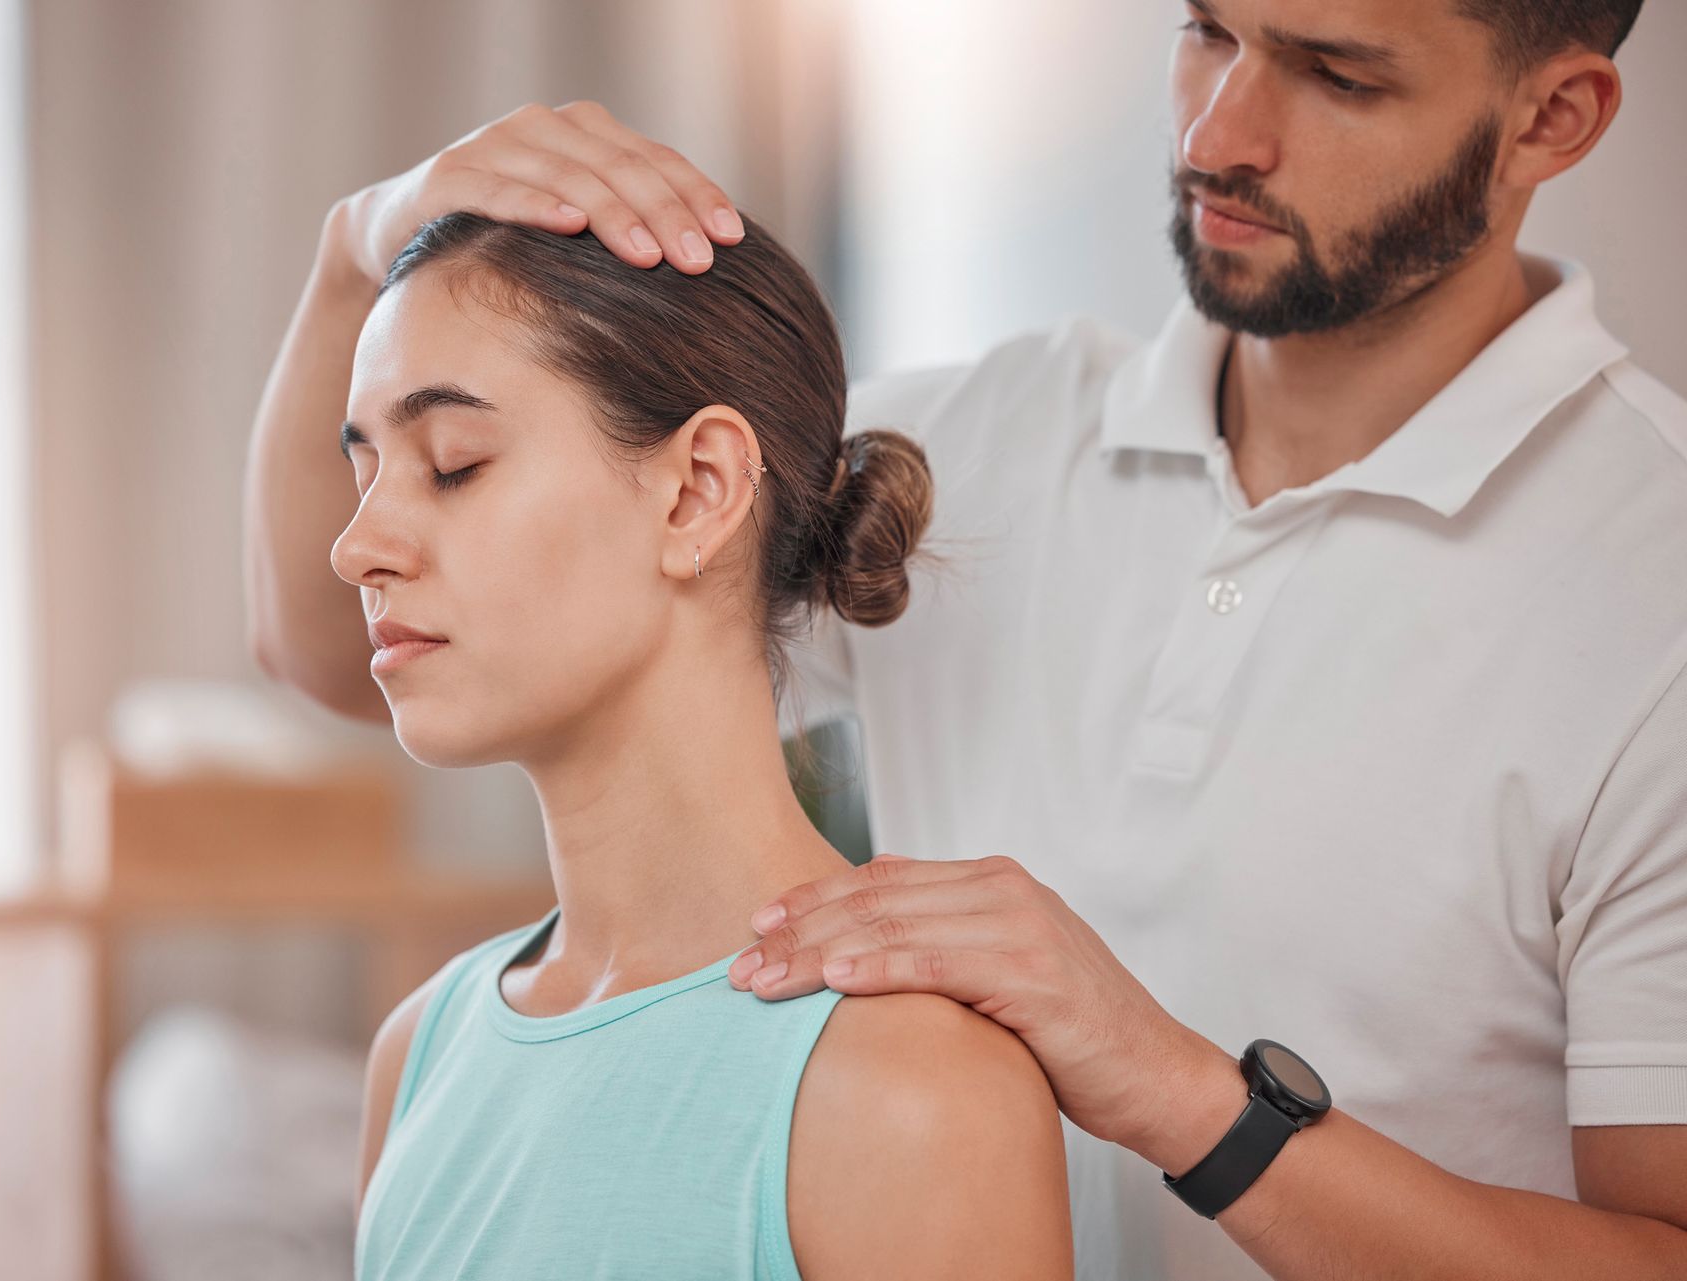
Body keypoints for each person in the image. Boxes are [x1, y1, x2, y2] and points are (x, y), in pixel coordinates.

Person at [248, 2, 1687, 1278]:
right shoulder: (972, 454)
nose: (1220, 133)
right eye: (1206, 30)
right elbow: (342, 649)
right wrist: (351, 250)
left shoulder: (1651, 591)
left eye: (1338, 74)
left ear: (1553, 117)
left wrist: (1185, 1096)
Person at [267, 202, 1074, 1279]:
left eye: (453, 463)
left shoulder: (913, 1091)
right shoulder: (419, 1055)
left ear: (698, 493)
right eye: (367, 469)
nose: (356, 545)